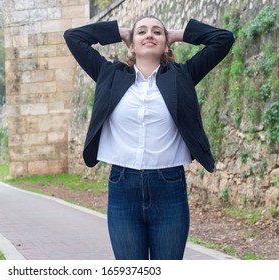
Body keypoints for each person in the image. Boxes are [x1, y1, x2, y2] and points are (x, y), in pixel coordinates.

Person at [64, 16, 234, 260]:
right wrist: (119, 31)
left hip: (169, 185)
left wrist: (176, 34)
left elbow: (223, 39)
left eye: (157, 32)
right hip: (123, 185)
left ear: (166, 45)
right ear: (131, 45)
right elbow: (73, 37)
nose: (149, 35)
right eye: (141, 32)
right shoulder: (109, 75)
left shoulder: (182, 76)